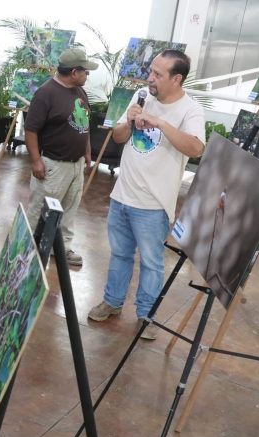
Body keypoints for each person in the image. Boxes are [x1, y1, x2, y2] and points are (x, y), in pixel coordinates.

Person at [87, 50, 205, 340]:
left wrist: (161, 123)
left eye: (158, 74)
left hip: (153, 205)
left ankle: (146, 315)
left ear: (177, 79)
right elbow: (117, 137)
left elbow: (196, 149)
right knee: (119, 254)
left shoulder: (190, 110)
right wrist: (127, 122)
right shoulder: (141, 94)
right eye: (150, 71)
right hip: (122, 195)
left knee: (152, 262)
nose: (150, 78)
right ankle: (112, 303)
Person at [24, 48, 98, 267]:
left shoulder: (79, 91)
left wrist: (86, 150)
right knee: (41, 209)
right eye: (85, 71)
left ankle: (62, 247)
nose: (88, 75)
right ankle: (30, 249)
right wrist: (36, 160)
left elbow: (83, 123)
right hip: (53, 165)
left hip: (75, 165)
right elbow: (31, 130)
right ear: (74, 72)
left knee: (69, 207)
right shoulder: (46, 93)